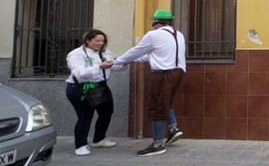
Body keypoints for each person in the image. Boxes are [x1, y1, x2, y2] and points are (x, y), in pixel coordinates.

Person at [112, 9, 186, 157]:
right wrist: (130, 60)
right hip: (178, 72)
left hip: (163, 74)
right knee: (165, 101)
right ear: (170, 22)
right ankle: (173, 128)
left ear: (156, 22)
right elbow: (152, 55)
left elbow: (136, 51)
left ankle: (158, 144)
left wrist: (117, 61)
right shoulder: (178, 34)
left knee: (157, 106)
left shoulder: (154, 35)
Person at [65, 30, 120, 156]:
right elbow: (79, 73)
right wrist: (99, 66)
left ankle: (99, 139)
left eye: (102, 41)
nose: (100, 43)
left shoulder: (106, 52)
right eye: (97, 41)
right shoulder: (76, 54)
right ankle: (80, 145)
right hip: (80, 88)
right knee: (85, 117)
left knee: (107, 112)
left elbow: (113, 66)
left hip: (101, 87)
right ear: (88, 40)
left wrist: (122, 62)